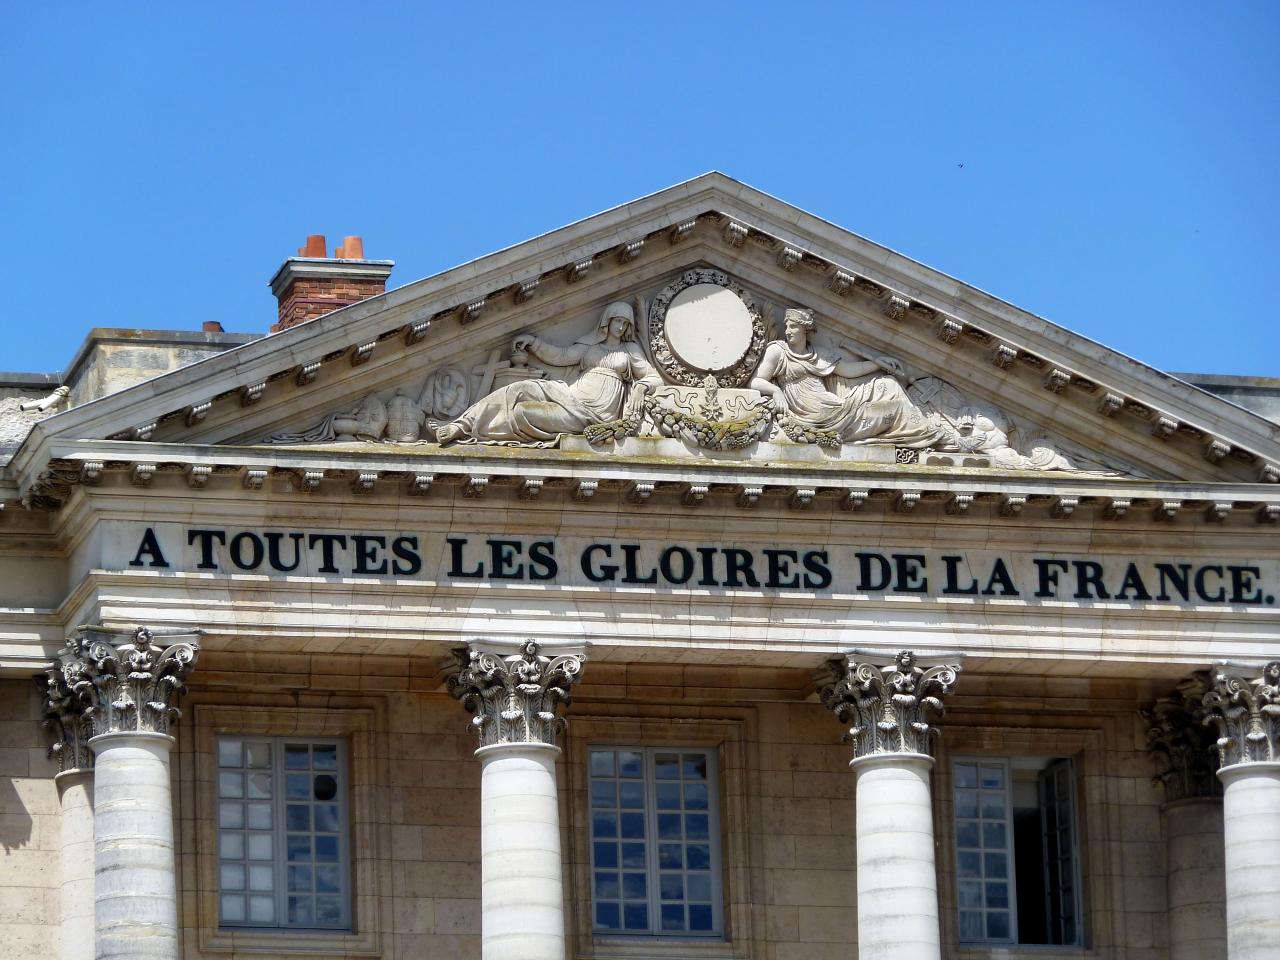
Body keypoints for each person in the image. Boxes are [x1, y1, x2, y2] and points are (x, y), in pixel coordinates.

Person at [435, 300, 662, 446]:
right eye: (617, 321)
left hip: (593, 415)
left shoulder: (629, 350)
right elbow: (561, 357)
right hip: (571, 395)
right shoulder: (590, 346)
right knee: (519, 388)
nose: (621, 327)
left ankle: (478, 430)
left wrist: (642, 386)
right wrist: (534, 343)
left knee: (522, 413)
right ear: (608, 322)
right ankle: (461, 425)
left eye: (625, 323)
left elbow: (654, 377)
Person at [749, 307, 946, 448]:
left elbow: (850, 370)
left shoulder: (820, 353)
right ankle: (931, 434)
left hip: (833, 407)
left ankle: (927, 430)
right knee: (895, 410)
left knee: (888, 384)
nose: (788, 331)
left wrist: (878, 363)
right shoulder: (778, 351)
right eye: (786, 326)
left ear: (805, 330)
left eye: (793, 327)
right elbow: (756, 381)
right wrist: (776, 391)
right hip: (815, 417)